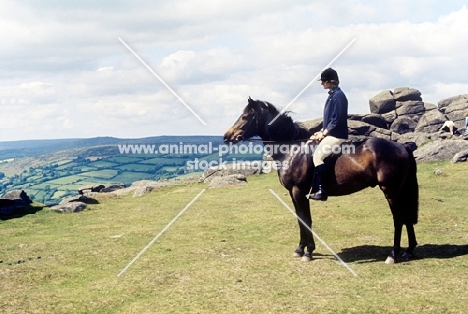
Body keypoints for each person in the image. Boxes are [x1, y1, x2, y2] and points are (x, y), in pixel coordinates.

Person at [306, 68, 348, 201]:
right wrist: (321, 131)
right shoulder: (332, 95)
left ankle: (322, 190)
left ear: (331, 81)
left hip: (337, 135)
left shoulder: (338, 96)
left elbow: (337, 119)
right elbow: (329, 119)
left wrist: (324, 134)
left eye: (323, 81)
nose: (322, 83)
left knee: (317, 157)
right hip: (331, 133)